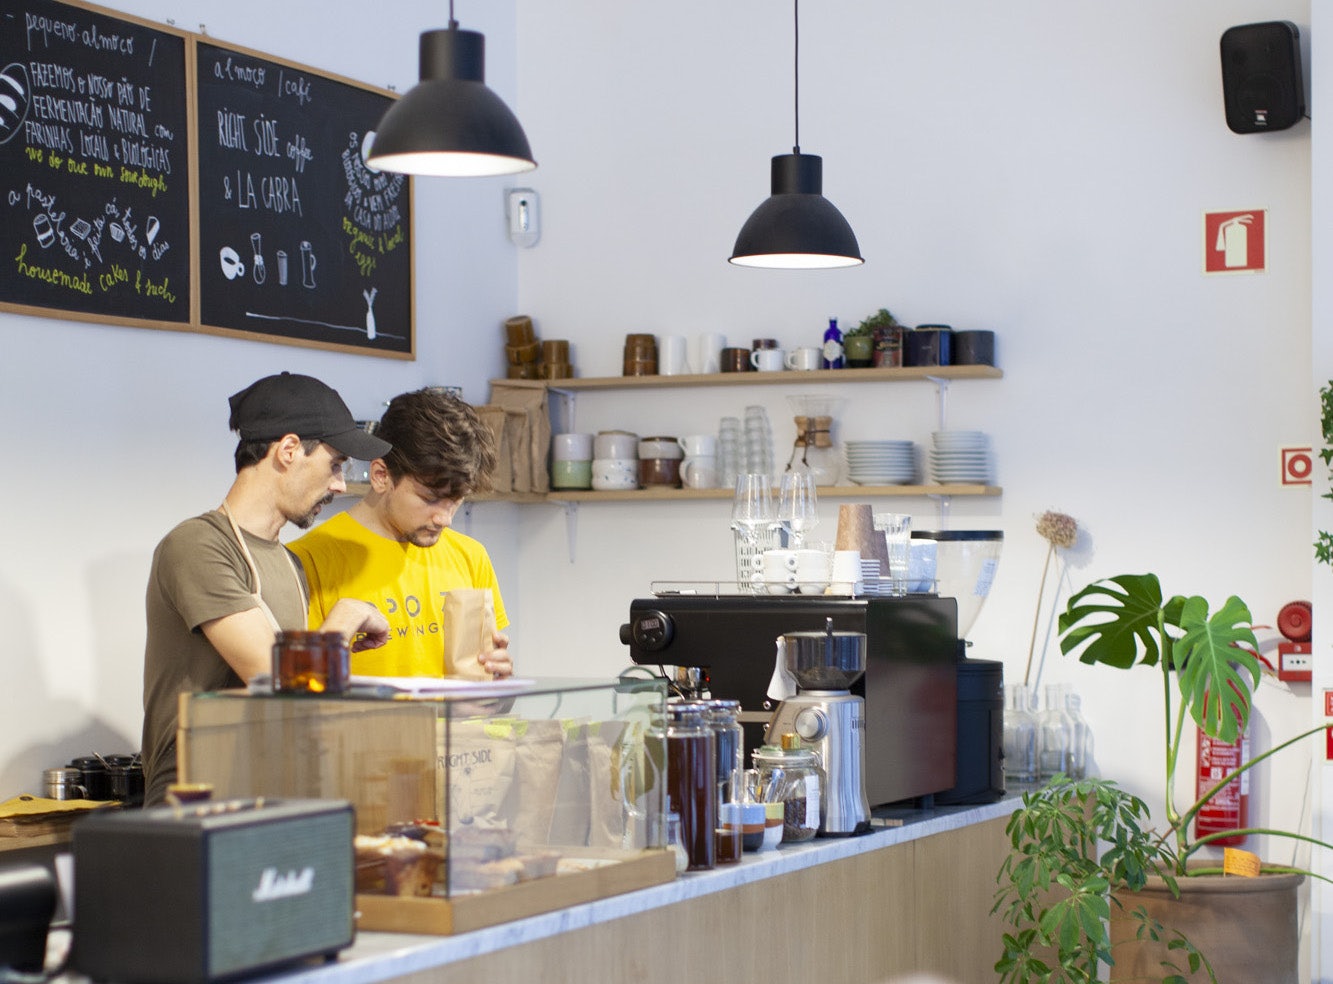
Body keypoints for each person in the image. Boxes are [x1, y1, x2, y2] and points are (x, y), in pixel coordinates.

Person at [141, 372, 393, 806]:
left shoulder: (288, 562)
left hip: (268, 796)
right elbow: (281, 686)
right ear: (289, 450)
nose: (339, 484)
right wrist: (346, 617)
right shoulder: (199, 545)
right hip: (195, 805)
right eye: (335, 464)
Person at [289, 387, 512, 679]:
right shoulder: (307, 561)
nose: (444, 518)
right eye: (430, 498)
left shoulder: (471, 556)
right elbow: (295, 690)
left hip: (455, 727)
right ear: (382, 475)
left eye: (457, 500)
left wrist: (499, 679)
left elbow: (488, 694)